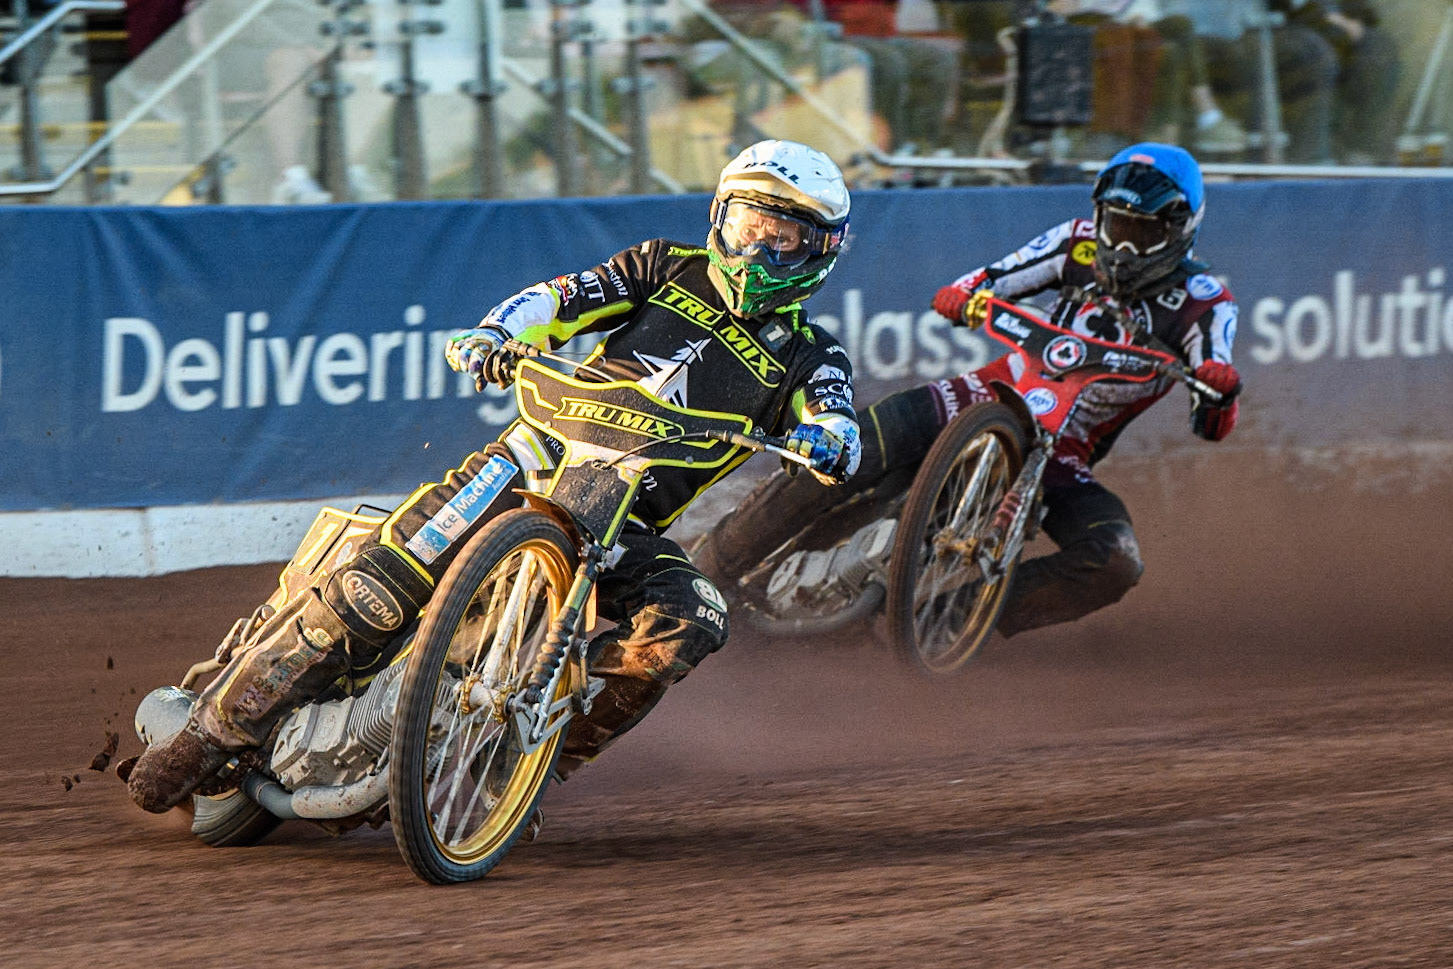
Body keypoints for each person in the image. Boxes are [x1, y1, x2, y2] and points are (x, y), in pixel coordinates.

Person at [126, 138, 862, 814]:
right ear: (719, 218)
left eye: (782, 236)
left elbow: (836, 418)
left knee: (693, 616)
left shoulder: (811, 356)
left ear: (818, 252)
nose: (757, 249)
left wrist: (828, 440)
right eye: (746, 224)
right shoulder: (664, 267)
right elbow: (561, 297)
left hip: (618, 524)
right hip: (526, 463)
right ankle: (212, 729)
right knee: (376, 588)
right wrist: (496, 334)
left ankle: (528, 766)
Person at [697, 142, 1242, 639]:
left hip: (1062, 453)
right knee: (852, 446)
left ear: (1181, 229)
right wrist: (964, 295)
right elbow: (989, 280)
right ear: (1098, 215)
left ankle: (950, 623)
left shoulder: (1207, 302)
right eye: (1115, 225)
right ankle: (709, 567)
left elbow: (1214, 419)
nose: (1122, 246)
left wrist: (1220, 390)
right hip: (981, 395)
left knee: (1115, 562)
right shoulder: (1077, 243)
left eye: (1142, 233)